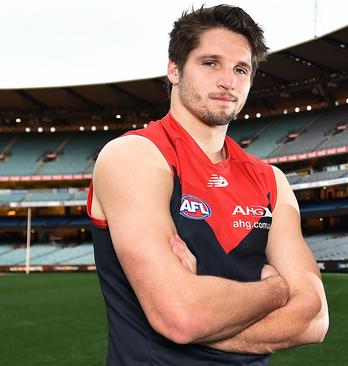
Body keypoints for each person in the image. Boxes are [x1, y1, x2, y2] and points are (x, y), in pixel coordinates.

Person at [88, 5, 328, 365]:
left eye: (240, 69)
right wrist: (275, 290)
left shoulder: (270, 180)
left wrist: (203, 318)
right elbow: (182, 316)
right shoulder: (135, 156)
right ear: (174, 68)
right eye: (210, 63)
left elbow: (315, 319)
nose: (227, 81)